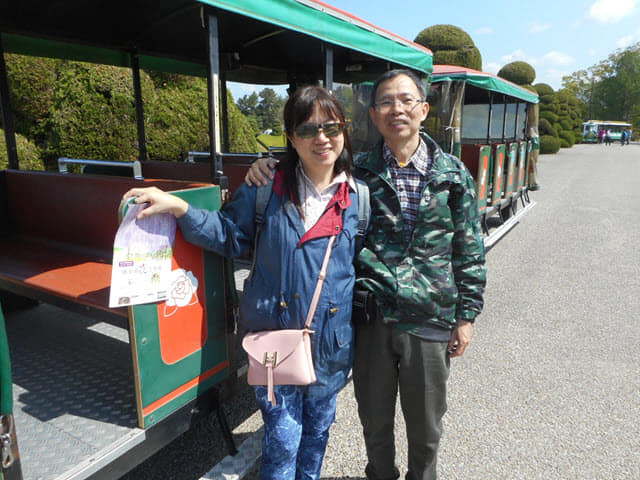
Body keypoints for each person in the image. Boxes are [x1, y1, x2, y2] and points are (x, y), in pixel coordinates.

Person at [245, 69, 487, 480]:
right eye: (387, 102)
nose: (398, 110)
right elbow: (308, 170)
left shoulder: (452, 174)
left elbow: (470, 248)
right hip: (372, 319)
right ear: (373, 116)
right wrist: (266, 166)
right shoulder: (358, 174)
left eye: (407, 100)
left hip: (430, 319)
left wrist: (466, 315)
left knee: (426, 430)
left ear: (424, 110)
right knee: (375, 425)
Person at [123, 86, 363, 480]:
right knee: (284, 438)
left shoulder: (360, 197)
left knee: (317, 433)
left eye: (331, 127)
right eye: (307, 129)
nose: (321, 138)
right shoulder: (265, 186)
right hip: (273, 341)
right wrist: (181, 208)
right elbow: (229, 233)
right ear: (290, 138)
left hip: (330, 347)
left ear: (343, 131)